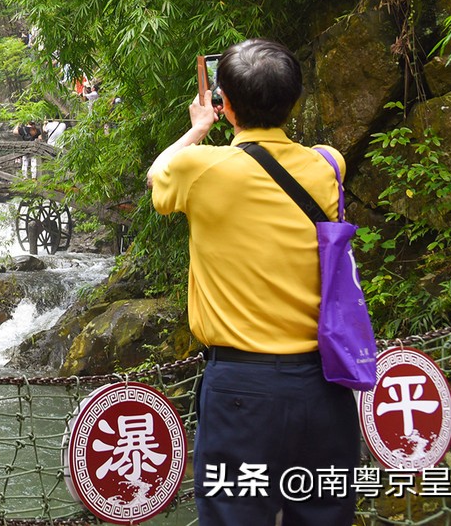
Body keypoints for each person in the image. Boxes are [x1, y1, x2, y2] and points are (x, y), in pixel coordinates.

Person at [147, 38, 355, 526]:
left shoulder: (201, 169)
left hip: (241, 391)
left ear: (227, 105)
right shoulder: (329, 164)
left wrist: (199, 128)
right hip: (325, 385)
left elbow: (158, 174)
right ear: (295, 100)